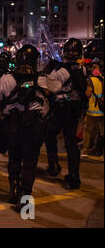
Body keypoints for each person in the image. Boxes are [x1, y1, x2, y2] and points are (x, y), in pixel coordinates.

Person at [0, 45, 49, 211]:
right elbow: (54, 92)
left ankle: (13, 190)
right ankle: (25, 196)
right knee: (30, 162)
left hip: (13, 124)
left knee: (14, 158)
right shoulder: (42, 79)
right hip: (34, 125)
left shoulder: (7, 79)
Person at [46, 38, 88, 190]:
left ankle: (53, 165)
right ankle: (74, 176)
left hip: (61, 108)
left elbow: (50, 86)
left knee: (49, 135)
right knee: (71, 143)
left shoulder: (63, 70)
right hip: (74, 109)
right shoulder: (81, 68)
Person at [84, 62, 103, 156]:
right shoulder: (103, 79)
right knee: (102, 131)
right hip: (102, 110)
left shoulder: (91, 80)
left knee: (88, 130)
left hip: (93, 109)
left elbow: (88, 93)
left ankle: (86, 148)